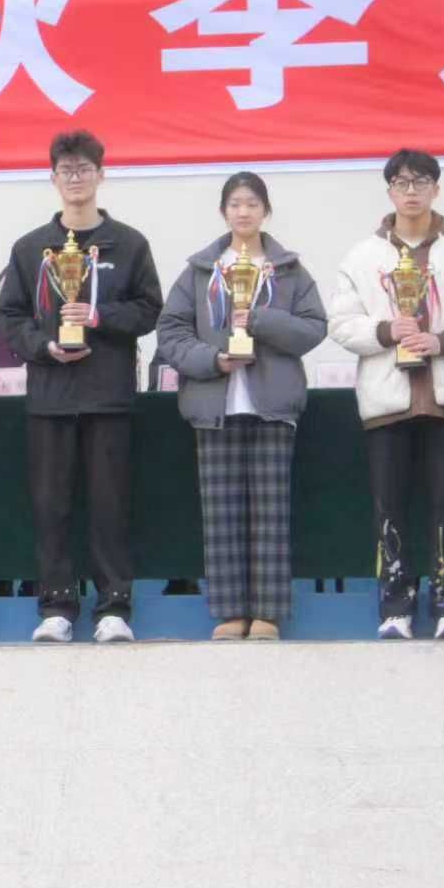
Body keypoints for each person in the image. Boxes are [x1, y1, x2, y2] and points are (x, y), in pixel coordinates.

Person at [0, 130, 162, 645]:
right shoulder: (30, 248)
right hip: (50, 398)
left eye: (84, 169)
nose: (75, 178)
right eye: (66, 170)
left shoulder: (129, 244)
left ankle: (114, 605)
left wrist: (98, 316)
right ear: (52, 178)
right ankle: (56, 606)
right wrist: (45, 346)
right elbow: (11, 318)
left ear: (101, 175)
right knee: (51, 506)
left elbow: (149, 310)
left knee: (110, 505)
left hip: (109, 395)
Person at [328, 149, 444, 640]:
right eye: (402, 182)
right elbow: (341, 322)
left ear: (436, 190)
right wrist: (387, 332)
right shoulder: (362, 256)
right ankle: (395, 606)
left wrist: (442, 341)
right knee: (389, 507)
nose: (411, 191)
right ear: (389, 191)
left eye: (421, 182)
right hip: (387, 402)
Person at [155, 172, 328, 642]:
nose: (244, 211)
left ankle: (268, 613)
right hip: (215, 405)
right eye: (235, 204)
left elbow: (314, 328)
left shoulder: (288, 270)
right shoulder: (200, 270)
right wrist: (212, 359)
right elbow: (170, 332)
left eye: (252, 203)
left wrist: (261, 320)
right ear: (223, 212)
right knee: (221, 514)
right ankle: (230, 612)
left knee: (271, 513)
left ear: (265, 211)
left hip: (273, 407)